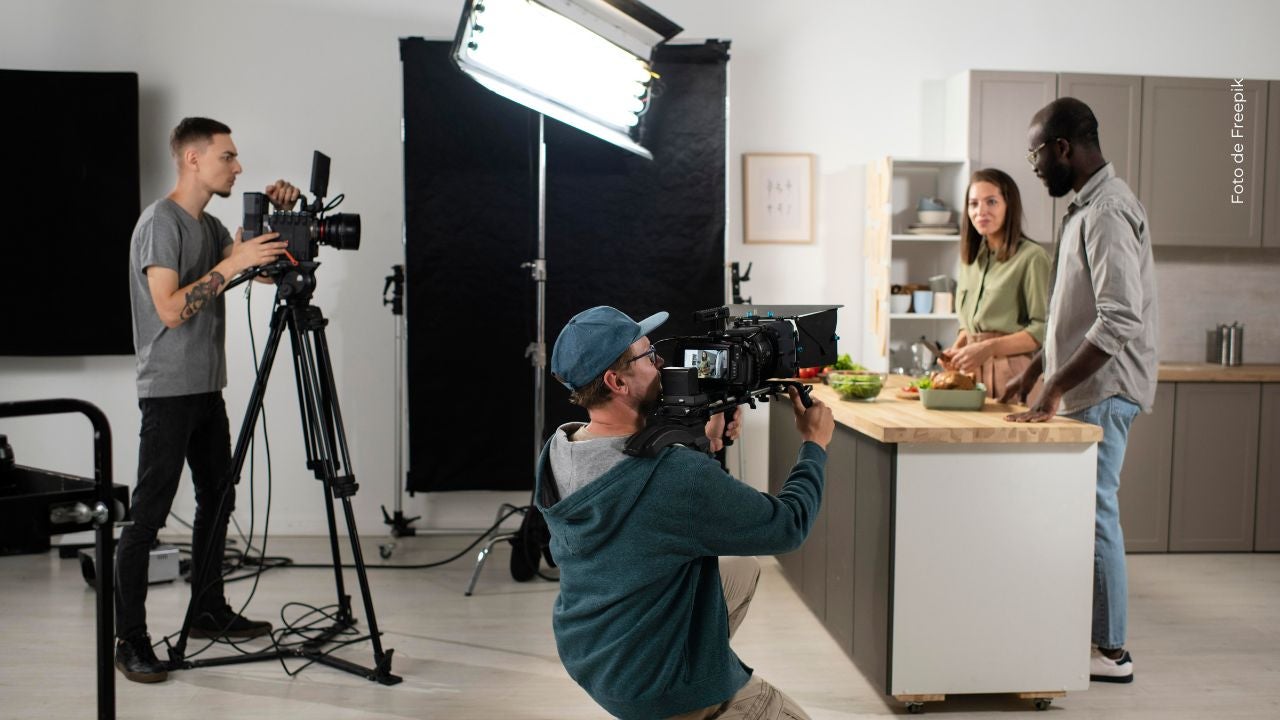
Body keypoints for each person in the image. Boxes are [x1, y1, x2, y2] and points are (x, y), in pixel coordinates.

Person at [536, 306, 834, 720]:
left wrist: (704, 440)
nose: (661, 363)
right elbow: (787, 527)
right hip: (658, 687)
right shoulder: (675, 476)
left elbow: (651, 516)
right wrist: (814, 446)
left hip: (592, 653)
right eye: (648, 356)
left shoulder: (559, 447)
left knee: (740, 571)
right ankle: (692, 697)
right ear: (616, 381)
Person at [118, 117, 297, 683]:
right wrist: (231, 263)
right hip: (168, 392)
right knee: (146, 518)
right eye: (229, 157)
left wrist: (280, 216)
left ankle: (207, 610)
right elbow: (169, 308)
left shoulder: (214, 225)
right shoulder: (160, 222)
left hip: (206, 390)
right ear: (193, 159)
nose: (238, 167)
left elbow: (261, 270)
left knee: (217, 500)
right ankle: (131, 641)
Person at [1001, 97, 1158, 684]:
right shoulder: (1085, 209)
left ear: (1062, 148)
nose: (1034, 166)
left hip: (1106, 387)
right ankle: (1089, 635)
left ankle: (1113, 652)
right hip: (1087, 384)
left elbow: (1118, 318)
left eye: (1036, 153)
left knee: (1096, 512)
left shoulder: (1109, 211)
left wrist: (1053, 386)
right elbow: (1076, 313)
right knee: (1082, 511)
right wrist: (1035, 371)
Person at [938, 168, 1050, 399]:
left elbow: (1042, 330)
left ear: (1009, 205)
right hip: (971, 378)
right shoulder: (970, 260)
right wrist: (958, 349)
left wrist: (987, 348)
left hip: (1013, 377)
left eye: (991, 202)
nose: (981, 211)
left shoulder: (1032, 257)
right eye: (974, 203)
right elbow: (970, 325)